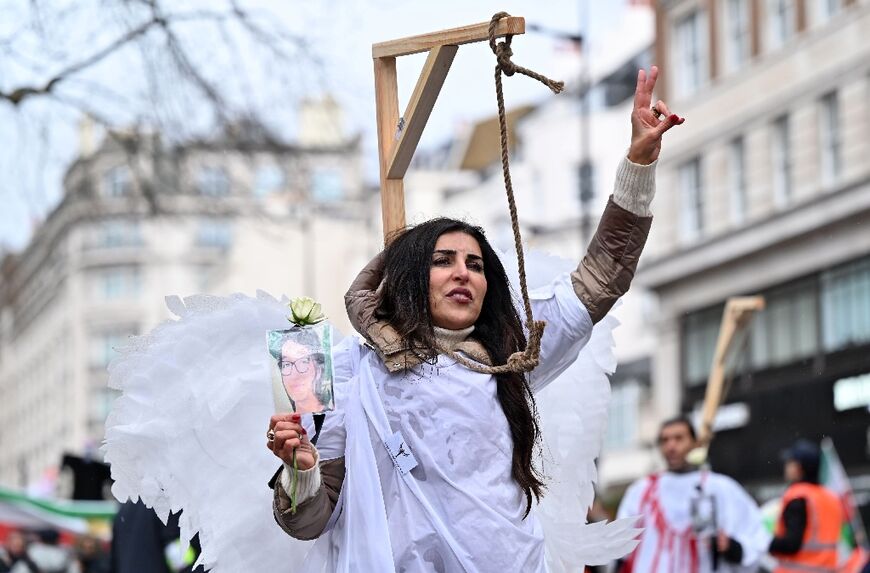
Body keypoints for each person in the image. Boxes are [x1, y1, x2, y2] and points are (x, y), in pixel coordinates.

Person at [263, 65, 683, 571]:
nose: (462, 273)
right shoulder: (346, 371)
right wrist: (301, 474)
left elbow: (601, 279)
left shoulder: (513, 354)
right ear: (410, 278)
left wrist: (637, 165)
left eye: (476, 264)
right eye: (442, 261)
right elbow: (309, 522)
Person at [615, 416, 770, 572]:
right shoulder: (641, 491)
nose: (671, 446)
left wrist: (731, 547)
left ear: (695, 443)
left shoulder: (722, 488)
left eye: (679, 438)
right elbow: (620, 543)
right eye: (665, 440)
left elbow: (756, 537)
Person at [769, 439, 844, 573]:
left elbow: (791, 544)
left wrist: (764, 541)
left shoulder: (798, 497)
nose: (786, 466)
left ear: (798, 468)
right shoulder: (832, 499)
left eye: (790, 462)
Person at [270, 329, 333, 414]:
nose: (294, 375)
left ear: (319, 369)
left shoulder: (336, 419)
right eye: (286, 364)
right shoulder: (281, 423)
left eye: (303, 361)